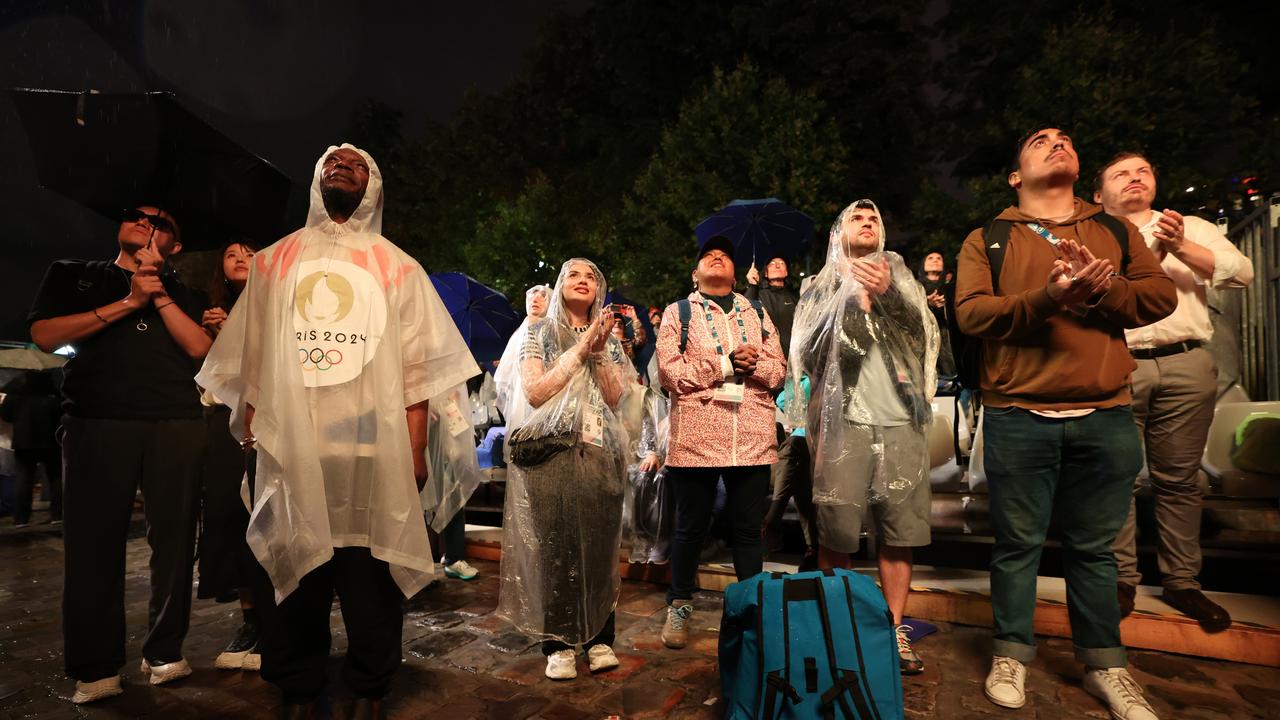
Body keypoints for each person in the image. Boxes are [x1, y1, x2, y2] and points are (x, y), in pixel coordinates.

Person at [197, 144, 478, 720]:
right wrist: (252, 420)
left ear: (372, 184)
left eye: (356, 162)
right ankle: (298, 685)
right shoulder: (276, 261)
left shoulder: (397, 266)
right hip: (291, 446)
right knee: (295, 573)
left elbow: (419, 363)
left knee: (369, 574)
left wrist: (416, 443)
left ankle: (371, 683)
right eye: (331, 160)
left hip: (371, 449)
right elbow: (251, 352)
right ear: (315, 181)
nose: (341, 165)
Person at [956, 127, 1175, 718]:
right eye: (1039, 140)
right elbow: (973, 313)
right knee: (1017, 545)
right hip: (1017, 413)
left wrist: (1103, 291)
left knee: (1094, 548)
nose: (1057, 143)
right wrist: (1050, 297)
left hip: (1105, 414)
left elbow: (1160, 298)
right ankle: (1011, 653)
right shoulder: (990, 237)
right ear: (1014, 175)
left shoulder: (1112, 229)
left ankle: (1106, 664)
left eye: (1065, 139)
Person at [28, 205, 211, 703]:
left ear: (174, 244)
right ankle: (96, 665)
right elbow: (45, 336)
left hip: (174, 422)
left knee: (174, 544)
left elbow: (198, 348)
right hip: (96, 421)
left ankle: (165, 650)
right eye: (137, 214)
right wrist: (131, 301)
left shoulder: (189, 292)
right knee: (91, 546)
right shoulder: (75, 276)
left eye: (163, 221)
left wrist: (160, 291)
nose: (147, 221)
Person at [1093, 152, 1254, 632]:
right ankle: (1121, 579)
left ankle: (1183, 581)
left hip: (1186, 359)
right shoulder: (1096, 235)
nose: (1135, 178)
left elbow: (1241, 273)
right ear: (1099, 194)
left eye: (1144, 170)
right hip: (1118, 360)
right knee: (1115, 476)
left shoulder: (1191, 226)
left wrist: (1180, 244)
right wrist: (1151, 259)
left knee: (1180, 480)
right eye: (1121, 173)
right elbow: (1099, 294)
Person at [789, 199, 939, 675]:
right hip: (843, 425)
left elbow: (927, 341)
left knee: (899, 533)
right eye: (857, 217)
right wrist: (848, 305)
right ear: (838, 234)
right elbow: (807, 354)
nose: (868, 221)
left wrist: (889, 295)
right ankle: (842, 626)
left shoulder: (904, 279)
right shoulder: (820, 286)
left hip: (900, 419)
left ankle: (893, 630)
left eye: (875, 217)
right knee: (837, 531)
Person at [496, 258, 629, 681]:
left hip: (599, 451)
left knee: (600, 545)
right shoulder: (538, 330)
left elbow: (612, 397)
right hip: (550, 451)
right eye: (574, 274)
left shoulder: (609, 335)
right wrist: (582, 346)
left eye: (591, 276)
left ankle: (600, 637)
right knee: (557, 547)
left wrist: (602, 347)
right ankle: (558, 641)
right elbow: (536, 392)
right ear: (559, 285)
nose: (584, 281)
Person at [656, 236, 785, 650]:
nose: (718, 257)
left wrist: (756, 364)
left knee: (748, 531)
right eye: (709, 255)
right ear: (696, 273)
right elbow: (669, 373)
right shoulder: (678, 314)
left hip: (750, 434)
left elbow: (779, 369)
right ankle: (680, 604)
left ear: (735, 273)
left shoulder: (759, 311)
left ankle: (751, 611)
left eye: (726, 256)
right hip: (696, 436)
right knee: (690, 527)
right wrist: (724, 364)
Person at [196, 241, 263, 671]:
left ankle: (273, 622)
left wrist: (229, 338)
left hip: (262, 425)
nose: (239, 258)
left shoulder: (272, 309)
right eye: (230, 254)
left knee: (263, 517)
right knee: (228, 519)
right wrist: (208, 337)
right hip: (220, 425)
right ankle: (249, 620)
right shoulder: (210, 314)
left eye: (250, 253)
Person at [0, 369, 63, 527]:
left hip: (24, 442)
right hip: (51, 443)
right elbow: (61, 417)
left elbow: (6, 416)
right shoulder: (54, 397)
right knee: (55, 479)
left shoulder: (16, 396)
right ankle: (57, 515)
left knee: (23, 479)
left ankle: (21, 519)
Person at [745, 255, 798, 355]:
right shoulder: (758, 295)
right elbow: (745, 311)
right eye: (772, 264)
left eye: (782, 263)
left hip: (793, 354)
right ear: (765, 273)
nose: (777, 266)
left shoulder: (794, 297)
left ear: (786, 272)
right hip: (769, 356)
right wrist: (752, 285)